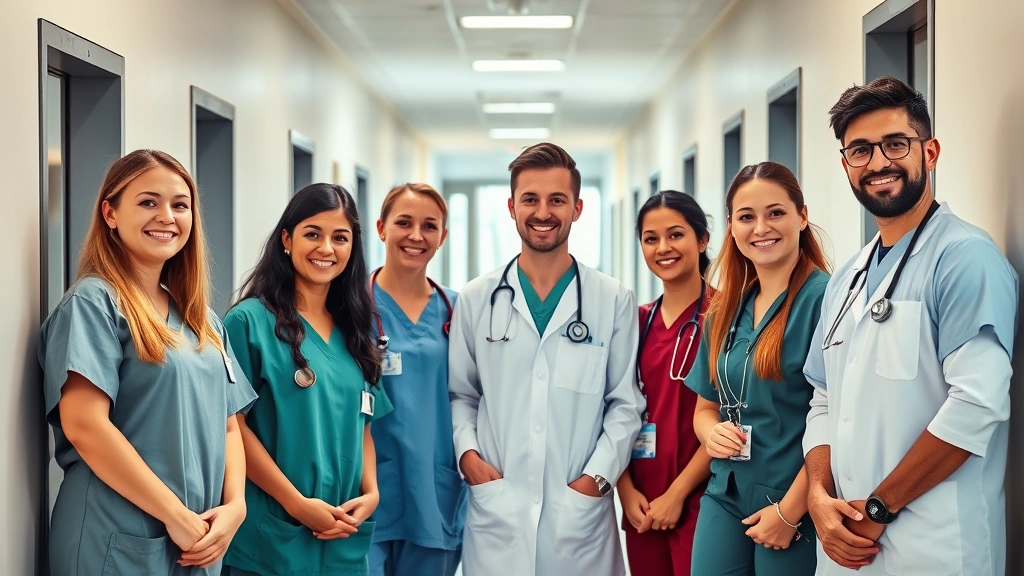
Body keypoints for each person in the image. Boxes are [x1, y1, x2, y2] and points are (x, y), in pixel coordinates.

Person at [803, 76, 1018, 576]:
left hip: (934, 546)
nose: (878, 163)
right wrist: (818, 493)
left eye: (895, 144)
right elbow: (823, 399)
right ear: (846, 165)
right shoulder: (846, 279)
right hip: (843, 541)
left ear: (930, 151)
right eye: (860, 150)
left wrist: (878, 510)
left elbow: (976, 405)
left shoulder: (965, 259)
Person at [38, 149, 256, 575]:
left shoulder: (202, 318)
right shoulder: (94, 303)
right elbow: (85, 426)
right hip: (116, 534)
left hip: (196, 538)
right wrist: (175, 515)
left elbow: (228, 422)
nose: (167, 217)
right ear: (110, 213)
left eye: (180, 205)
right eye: (147, 202)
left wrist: (236, 506)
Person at [448, 142, 644, 576]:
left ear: (577, 208)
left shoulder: (611, 299)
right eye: (530, 199)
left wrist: (595, 479)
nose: (543, 212)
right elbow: (461, 393)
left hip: (578, 515)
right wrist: (469, 458)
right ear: (511, 206)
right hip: (497, 510)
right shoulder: (477, 298)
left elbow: (625, 404)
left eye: (556, 200)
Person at [222, 183, 393, 576]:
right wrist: (297, 504)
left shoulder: (355, 331)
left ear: (353, 248)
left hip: (342, 538)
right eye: (313, 234)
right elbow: (232, 428)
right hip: (273, 540)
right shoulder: (248, 322)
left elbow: (363, 422)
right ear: (287, 239)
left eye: (340, 237)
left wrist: (372, 492)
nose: (326, 248)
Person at [688, 162, 829, 575]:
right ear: (731, 227)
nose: (761, 227)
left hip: (793, 497)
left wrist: (790, 511)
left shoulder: (825, 300)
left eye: (776, 213)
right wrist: (711, 433)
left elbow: (839, 420)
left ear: (802, 216)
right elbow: (704, 409)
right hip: (726, 491)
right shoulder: (725, 308)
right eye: (746, 217)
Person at [368, 183, 466, 576]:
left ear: (442, 237)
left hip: (434, 490)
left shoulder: (458, 310)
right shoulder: (350, 305)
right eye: (403, 222)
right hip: (365, 492)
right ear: (381, 228)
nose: (415, 235)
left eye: (429, 226)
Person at [617, 191, 713, 575]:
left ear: (702, 240)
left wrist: (677, 494)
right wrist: (625, 493)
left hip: (702, 498)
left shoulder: (726, 316)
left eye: (676, 235)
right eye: (650, 238)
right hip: (641, 501)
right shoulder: (634, 321)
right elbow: (609, 409)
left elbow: (731, 416)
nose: (663, 248)